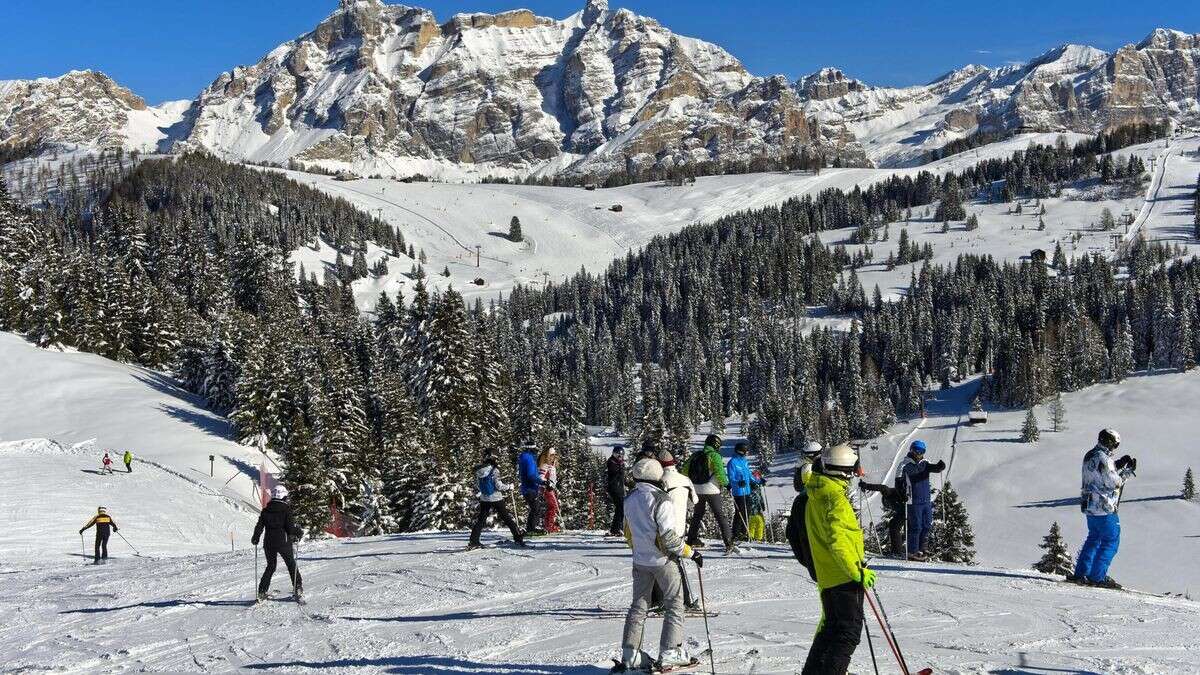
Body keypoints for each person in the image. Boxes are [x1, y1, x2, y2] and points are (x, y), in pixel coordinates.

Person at [618, 456, 702, 671]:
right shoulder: (661, 499)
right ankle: (670, 651)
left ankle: (631, 654)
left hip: (640, 561)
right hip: (663, 561)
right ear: (657, 476)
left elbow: (628, 533)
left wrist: (641, 551)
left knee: (638, 607)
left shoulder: (629, 499)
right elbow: (669, 539)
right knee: (674, 604)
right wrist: (691, 553)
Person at [802, 444, 873, 675]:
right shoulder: (835, 498)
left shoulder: (817, 491)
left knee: (831, 629)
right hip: (843, 575)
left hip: (827, 573)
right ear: (846, 470)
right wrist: (856, 571)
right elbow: (838, 540)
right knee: (848, 633)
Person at [1067, 428, 1136, 589]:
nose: (1114, 448)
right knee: (1111, 541)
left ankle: (1081, 573)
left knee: (1094, 538)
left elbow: (1100, 474)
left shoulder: (1090, 455)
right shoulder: (1103, 458)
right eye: (1115, 445)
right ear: (1110, 442)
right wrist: (1127, 471)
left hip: (1090, 505)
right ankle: (1097, 577)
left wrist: (1116, 464)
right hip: (1104, 506)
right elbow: (1114, 483)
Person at [653, 444, 700, 611]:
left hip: (663, 527)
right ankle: (683, 600)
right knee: (674, 562)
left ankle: (673, 601)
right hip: (680, 528)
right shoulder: (685, 479)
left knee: (661, 564)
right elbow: (695, 501)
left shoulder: (660, 481)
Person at [681, 434, 733, 552]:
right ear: (716, 445)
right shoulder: (714, 456)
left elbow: (684, 471)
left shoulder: (695, 455)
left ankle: (691, 540)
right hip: (712, 490)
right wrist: (726, 484)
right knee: (720, 515)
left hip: (696, 490)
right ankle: (728, 542)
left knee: (697, 515)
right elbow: (720, 472)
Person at [252, 484, 304, 600]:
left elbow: (259, 526)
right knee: (291, 564)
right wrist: (299, 532)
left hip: (269, 543)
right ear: (283, 497)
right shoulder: (286, 510)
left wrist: (256, 537)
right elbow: (290, 529)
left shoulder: (266, 510)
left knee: (271, 566)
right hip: (283, 542)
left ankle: (262, 591)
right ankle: (298, 587)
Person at [895, 439, 945, 560]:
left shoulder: (925, 463)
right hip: (913, 500)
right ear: (911, 450)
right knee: (916, 526)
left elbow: (934, 468)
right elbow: (898, 482)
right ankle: (912, 551)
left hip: (926, 500)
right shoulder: (904, 465)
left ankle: (922, 549)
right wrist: (903, 495)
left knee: (927, 525)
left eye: (921, 451)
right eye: (916, 450)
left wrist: (940, 467)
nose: (918, 453)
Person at [469, 448, 525, 549]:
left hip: (484, 498)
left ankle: (474, 541)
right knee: (507, 518)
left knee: (481, 520)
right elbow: (498, 485)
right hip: (496, 498)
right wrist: (509, 487)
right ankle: (518, 538)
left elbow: (477, 485)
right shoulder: (494, 470)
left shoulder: (479, 470)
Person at [859, 476, 906, 556]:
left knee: (895, 526)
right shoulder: (891, 497)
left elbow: (882, 487)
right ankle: (897, 551)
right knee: (893, 525)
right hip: (902, 512)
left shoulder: (889, 493)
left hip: (909, 510)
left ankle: (898, 551)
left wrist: (866, 486)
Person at [726, 442, 764, 542]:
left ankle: (744, 533)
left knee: (747, 513)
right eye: (745, 451)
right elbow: (730, 478)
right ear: (741, 451)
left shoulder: (744, 462)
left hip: (747, 491)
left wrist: (759, 481)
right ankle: (735, 534)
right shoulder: (732, 462)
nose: (747, 453)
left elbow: (749, 476)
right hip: (738, 492)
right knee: (740, 513)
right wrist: (738, 483)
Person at [518, 442, 546, 536]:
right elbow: (531, 475)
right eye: (534, 448)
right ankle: (531, 529)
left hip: (529, 487)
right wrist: (542, 482)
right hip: (530, 488)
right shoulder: (528, 458)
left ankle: (531, 528)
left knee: (535, 508)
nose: (536, 450)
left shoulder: (527, 457)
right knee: (536, 508)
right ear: (530, 449)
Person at [606, 446, 627, 536]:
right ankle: (616, 528)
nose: (619, 457)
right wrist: (620, 471)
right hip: (614, 488)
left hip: (619, 488)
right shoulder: (612, 463)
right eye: (617, 454)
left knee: (620, 508)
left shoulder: (619, 463)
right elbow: (613, 475)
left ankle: (616, 528)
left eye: (621, 455)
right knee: (620, 507)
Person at [539, 448, 561, 534]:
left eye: (554, 455)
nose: (554, 457)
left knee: (553, 506)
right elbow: (540, 477)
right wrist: (547, 483)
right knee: (553, 506)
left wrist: (553, 484)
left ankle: (548, 525)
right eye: (552, 455)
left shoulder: (552, 466)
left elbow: (553, 478)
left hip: (550, 488)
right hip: (546, 488)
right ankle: (549, 526)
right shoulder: (545, 465)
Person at [747, 471, 766, 542]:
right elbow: (752, 497)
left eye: (758, 477)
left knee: (760, 522)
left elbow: (760, 497)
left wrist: (762, 504)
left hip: (758, 508)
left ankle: (758, 538)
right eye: (756, 477)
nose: (757, 478)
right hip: (752, 508)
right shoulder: (750, 486)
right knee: (753, 522)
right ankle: (751, 537)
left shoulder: (757, 487)